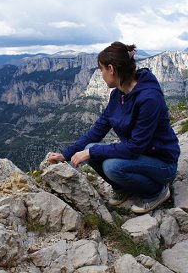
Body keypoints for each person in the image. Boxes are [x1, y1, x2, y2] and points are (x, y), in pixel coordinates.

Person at [48, 41, 180, 214]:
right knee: (89, 148)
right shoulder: (118, 95)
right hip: (140, 157)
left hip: (162, 163)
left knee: (112, 166)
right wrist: (66, 154)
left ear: (111, 69)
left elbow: (134, 147)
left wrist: (92, 152)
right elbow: (97, 130)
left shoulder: (149, 99)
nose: (100, 74)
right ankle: (123, 188)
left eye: (101, 69)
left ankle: (156, 192)